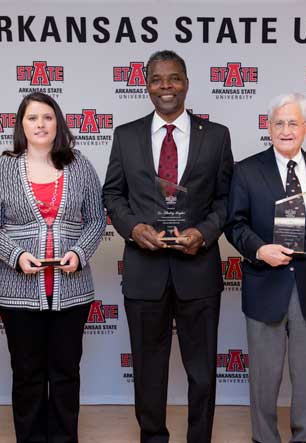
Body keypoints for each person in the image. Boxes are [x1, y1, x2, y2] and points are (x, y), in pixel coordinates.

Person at [102, 50, 233, 443]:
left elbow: (227, 199)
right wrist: (132, 227)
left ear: (187, 83)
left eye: (174, 78)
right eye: (157, 79)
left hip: (198, 269)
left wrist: (204, 233)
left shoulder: (218, 136)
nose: (166, 87)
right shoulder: (126, 135)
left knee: (202, 371)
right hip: (145, 271)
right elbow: (113, 194)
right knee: (148, 368)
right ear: (146, 85)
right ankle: (153, 437)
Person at [0, 92, 106, 442]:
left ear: (58, 124)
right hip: (17, 296)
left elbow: (96, 219)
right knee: (28, 374)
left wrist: (79, 252)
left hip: (72, 292)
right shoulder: (3, 167)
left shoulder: (78, 164)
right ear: (21, 124)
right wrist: (16, 255)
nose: (40, 124)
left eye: (48, 118)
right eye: (33, 118)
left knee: (65, 374)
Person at [225, 93, 306, 443]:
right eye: (278, 123)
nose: (285, 130)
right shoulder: (246, 170)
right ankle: (264, 437)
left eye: (293, 123)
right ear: (268, 127)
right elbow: (234, 223)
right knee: (264, 374)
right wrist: (260, 249)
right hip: (265, 283)